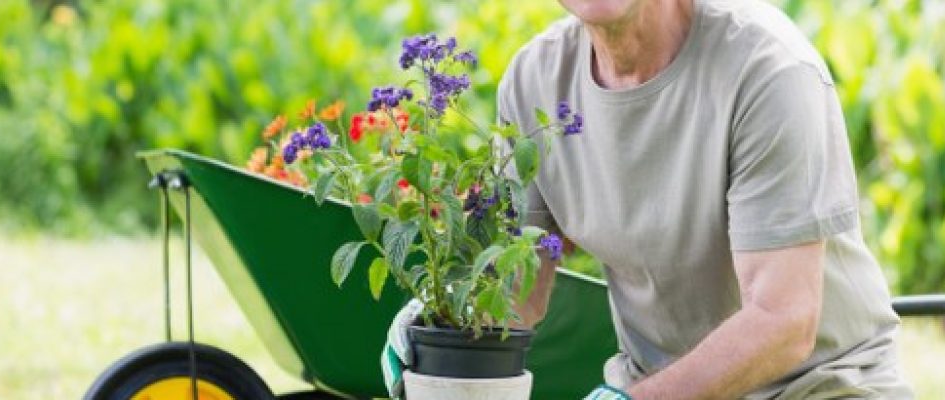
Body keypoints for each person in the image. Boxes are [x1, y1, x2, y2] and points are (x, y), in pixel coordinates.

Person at [389, 0, 913, 398]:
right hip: (652, 383)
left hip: (818, 386)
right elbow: (519, 292)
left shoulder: (765, 69)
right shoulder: (536, 84)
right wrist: (439, 326)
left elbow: (785, 320)